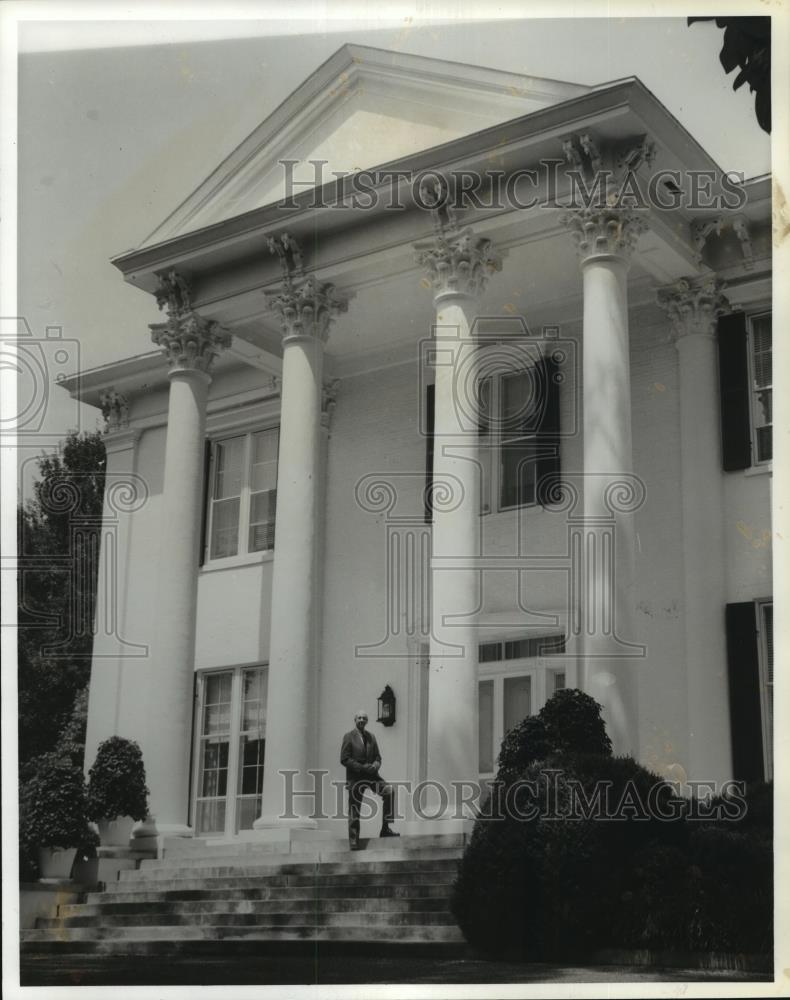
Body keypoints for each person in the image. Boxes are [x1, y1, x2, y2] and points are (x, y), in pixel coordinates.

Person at [340, 710, 399, 850]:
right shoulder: (349, 737)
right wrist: (362, 767)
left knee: (389, 791)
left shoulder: (371, 737)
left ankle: (385, 829)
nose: (361, 720)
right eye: (359, 717)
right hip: (356, 777)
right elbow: (344, 759)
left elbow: (378, 757)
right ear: (355, 720)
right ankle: (354, 840)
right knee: (354, 808)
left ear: (367, 721)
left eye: (364, 718)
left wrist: (376, 765)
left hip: (372, 776)